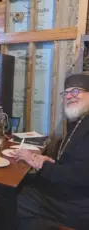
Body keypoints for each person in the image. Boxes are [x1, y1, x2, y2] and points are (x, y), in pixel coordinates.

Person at [15, 74, 89, 230]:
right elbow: (71, 160)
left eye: (75, 92)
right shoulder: (78, 120)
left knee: (16, 198)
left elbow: (78, 177)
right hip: (71, 191)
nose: (69, 96)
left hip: (78, 204)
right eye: (66, 93)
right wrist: (48, 160)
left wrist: (40, 164)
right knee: (22, 184)